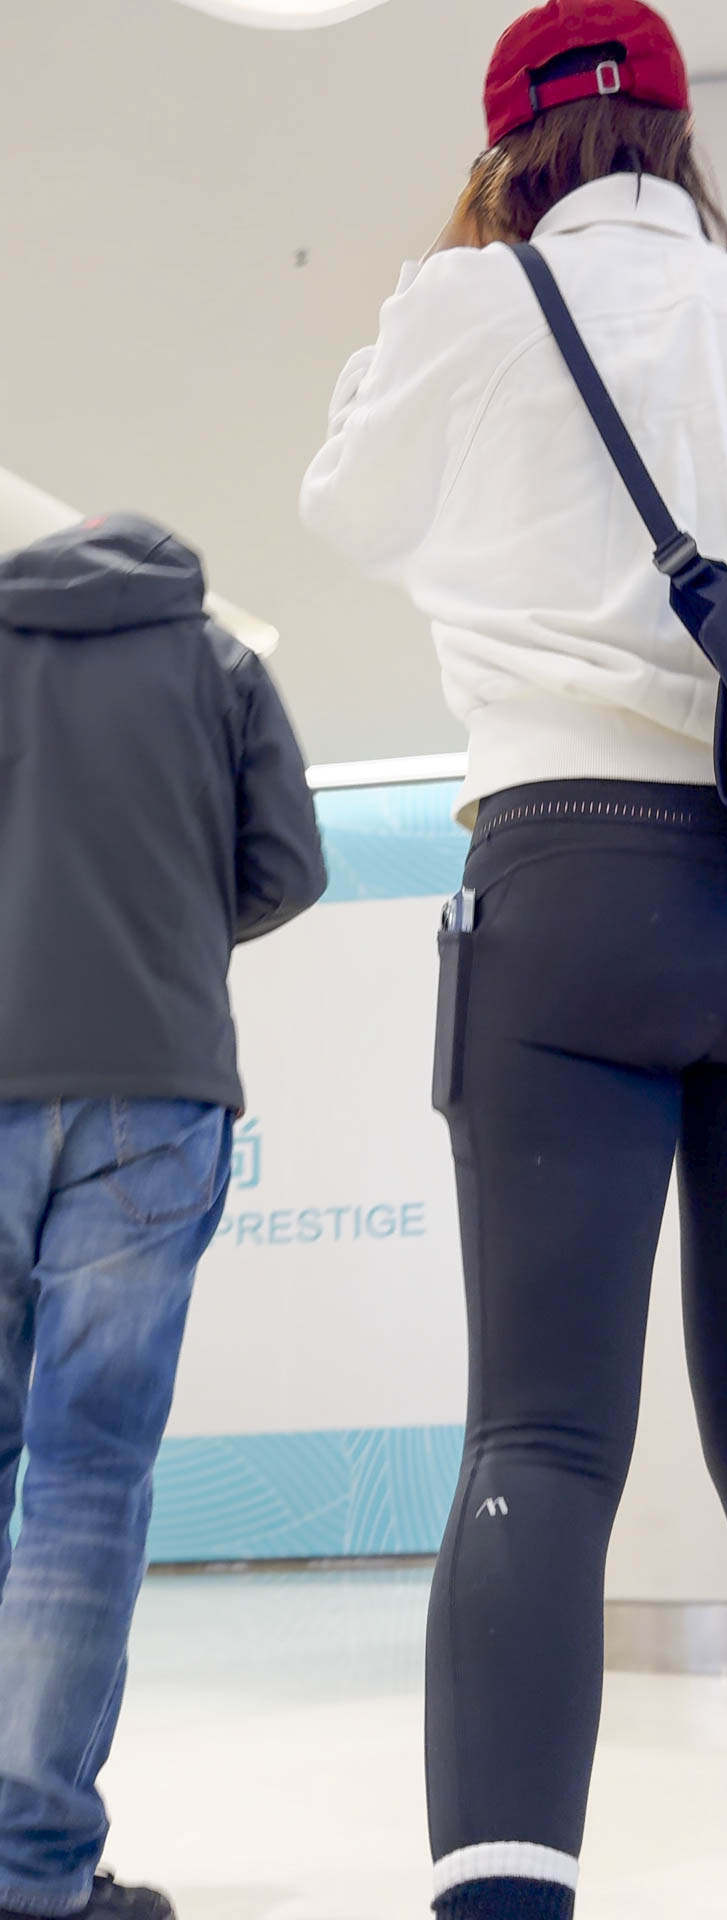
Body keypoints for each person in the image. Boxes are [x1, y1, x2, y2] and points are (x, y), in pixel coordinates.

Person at [300, 4, 727, 1915]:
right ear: (682, 142)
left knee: (541, 1436)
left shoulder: (472, 307)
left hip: (569, 893)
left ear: (507, 151)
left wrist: (457, 281)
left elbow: (346, 502)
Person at [0, 514, 326, 1920]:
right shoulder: (219, 662)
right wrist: (173, 925)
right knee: (87, 1481)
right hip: (154, 1085)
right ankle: (30, 1872)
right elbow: (288, 866)